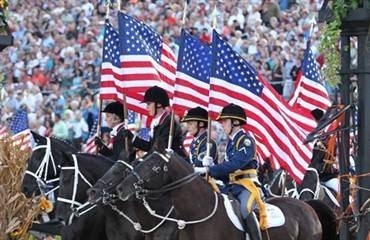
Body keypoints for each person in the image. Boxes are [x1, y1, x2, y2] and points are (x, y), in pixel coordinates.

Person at [194, 103, 265, 240]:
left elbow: (235, 164)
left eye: (225, 121)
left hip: (247, 185)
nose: (222, 125)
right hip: (232, 185)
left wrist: (209, 169)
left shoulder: (246, 141)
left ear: (236, 122)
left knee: (245, 209)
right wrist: (212, 165)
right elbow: (226, 169)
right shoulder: (231, 143)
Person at [124, 86, 186, 157]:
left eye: (149, 104)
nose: (147, 107)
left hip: (174, 165)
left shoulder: (169, 123)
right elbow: (150, 146)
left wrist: (142, 160)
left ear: (159, 104)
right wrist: (132, 138)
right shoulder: (158, 122)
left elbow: (158, 150)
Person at [311, 108, 340, 193]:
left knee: (342, 193)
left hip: (327, 177)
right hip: (309, 178)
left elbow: (330, 158)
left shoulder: (329, 139)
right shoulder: (307, 139)